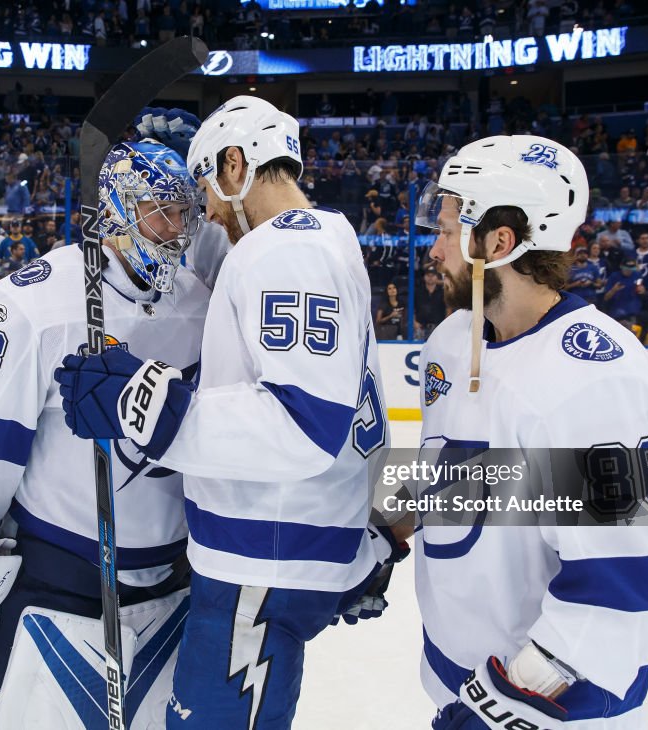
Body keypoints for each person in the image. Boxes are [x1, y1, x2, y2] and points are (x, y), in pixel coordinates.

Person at [57, 96, 398, 729]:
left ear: (236, 165)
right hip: (286, 547)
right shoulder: (322, 240)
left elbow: (302, 423)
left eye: (209, 187)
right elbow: (237, 270)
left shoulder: (286, 253)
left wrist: (144, 404)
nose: (205, 212)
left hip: (260, 565)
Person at [0, 139, 229, 729]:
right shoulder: (31, 307)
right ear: (117, 208)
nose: (176, 229)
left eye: (185, 213)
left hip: (173, 586)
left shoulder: (205, 304)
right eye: (159, 211)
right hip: (61, 585)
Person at [413, 135, 648, 728]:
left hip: (543, 712)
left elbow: (622, 581)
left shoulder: (595, 376)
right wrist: (379, 539)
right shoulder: (453, 342)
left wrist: (510, 705)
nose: (435, 248)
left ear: (499, 241)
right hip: (459, 688)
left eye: (451, 229)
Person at [414, 265, 446, 339]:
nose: (430, 277)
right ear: (424, 277)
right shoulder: (418, 292)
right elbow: (412, 308)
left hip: (437, 328)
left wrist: (444, 324)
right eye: (428, 275)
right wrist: (414, 322)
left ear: (436, 277)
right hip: (420, 328)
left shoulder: (443, 292)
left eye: (433, 275)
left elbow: (448, 309)